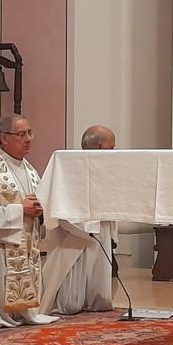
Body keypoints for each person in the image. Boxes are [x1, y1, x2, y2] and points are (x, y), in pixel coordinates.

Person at [0, 114, 58, 327]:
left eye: (30, 133)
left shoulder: (30, 171)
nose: (28, 139)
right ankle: (0, 316)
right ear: (4, 138)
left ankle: (23, 312)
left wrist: (40, 209)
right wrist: (21, 209)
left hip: (27, 244)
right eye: (21, 134)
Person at [40, 126, 117, 315]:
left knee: (98, 285)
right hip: (76, 231)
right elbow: (60, 201)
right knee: (70, 299)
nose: (114, 152)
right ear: (100, 147)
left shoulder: (107, 169)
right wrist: (84, 225)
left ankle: (94, 300)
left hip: (100, 226)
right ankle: (70, 302)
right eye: (111, 147)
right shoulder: (69, 167)